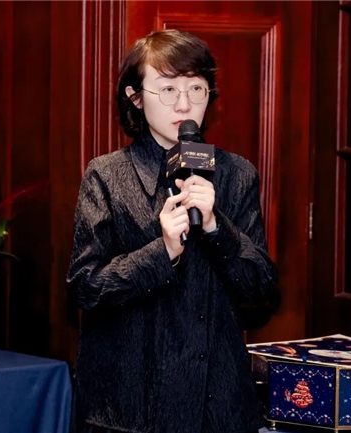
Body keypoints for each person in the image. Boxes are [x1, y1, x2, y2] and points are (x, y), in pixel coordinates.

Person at [67, 29, 280, 433]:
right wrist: (161, 251)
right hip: (129, 410)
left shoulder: (236, 175)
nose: (184, 104)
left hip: (218, 409)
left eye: (196, 88)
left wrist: (217, 228)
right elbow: (84, 289)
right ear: (135, 97)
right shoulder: (107, 176)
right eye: (167, 89)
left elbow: (263, 297)